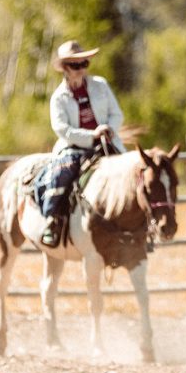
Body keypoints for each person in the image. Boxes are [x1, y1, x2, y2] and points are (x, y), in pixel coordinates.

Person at [36, 39, 125, 247]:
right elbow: (62, 129)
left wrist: (109, 130)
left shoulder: (101, 85)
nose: (81, 69)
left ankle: (138, 226)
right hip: (74, 148)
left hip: (107, 142)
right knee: (61, 173)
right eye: (76, 65)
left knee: (132, 173)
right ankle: (52, 220)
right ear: (65, 68)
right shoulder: (58, 97)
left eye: (84, 64)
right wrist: (92, 135)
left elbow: (116, 114)